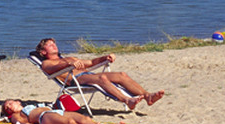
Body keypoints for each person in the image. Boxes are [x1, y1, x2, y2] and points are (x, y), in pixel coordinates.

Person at [35, 37, 164, 110]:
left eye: (54, 43)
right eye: (49, 45)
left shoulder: (70, 58)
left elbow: (90, 62)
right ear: (43, 52)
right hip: (75, 80)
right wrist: (68, 65)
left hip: (89, 76)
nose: (54, 46)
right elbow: (52, 70)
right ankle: (127, 100)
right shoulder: (46, 63)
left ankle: (148, 96)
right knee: (102, 77)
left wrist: (105, 58)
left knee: (122, 75)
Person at [1, 99, 127, 124]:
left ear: (18, 102)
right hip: (43, 117)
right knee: (69, 122)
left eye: (10, 103)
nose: (9, 107)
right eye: (6, 108)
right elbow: (21, 123)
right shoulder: (16, 115)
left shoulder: (29, 105)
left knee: (84, 119)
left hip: (56, 111)